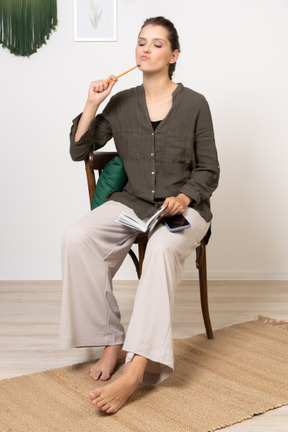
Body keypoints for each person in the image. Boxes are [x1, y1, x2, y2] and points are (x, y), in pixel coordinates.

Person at [59, 16, 220, 414]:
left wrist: (185, 196)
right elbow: (79, 152)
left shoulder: (195, 103)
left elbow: (209, 170)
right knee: (77, 238)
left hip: (184, 209)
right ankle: (112, 340)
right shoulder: (122, 102)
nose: (145, 50)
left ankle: (137, 367)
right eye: (141, 42)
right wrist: (93, 101)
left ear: (174, 55)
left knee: (163, 249)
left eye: (157, 44)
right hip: (133, 204)